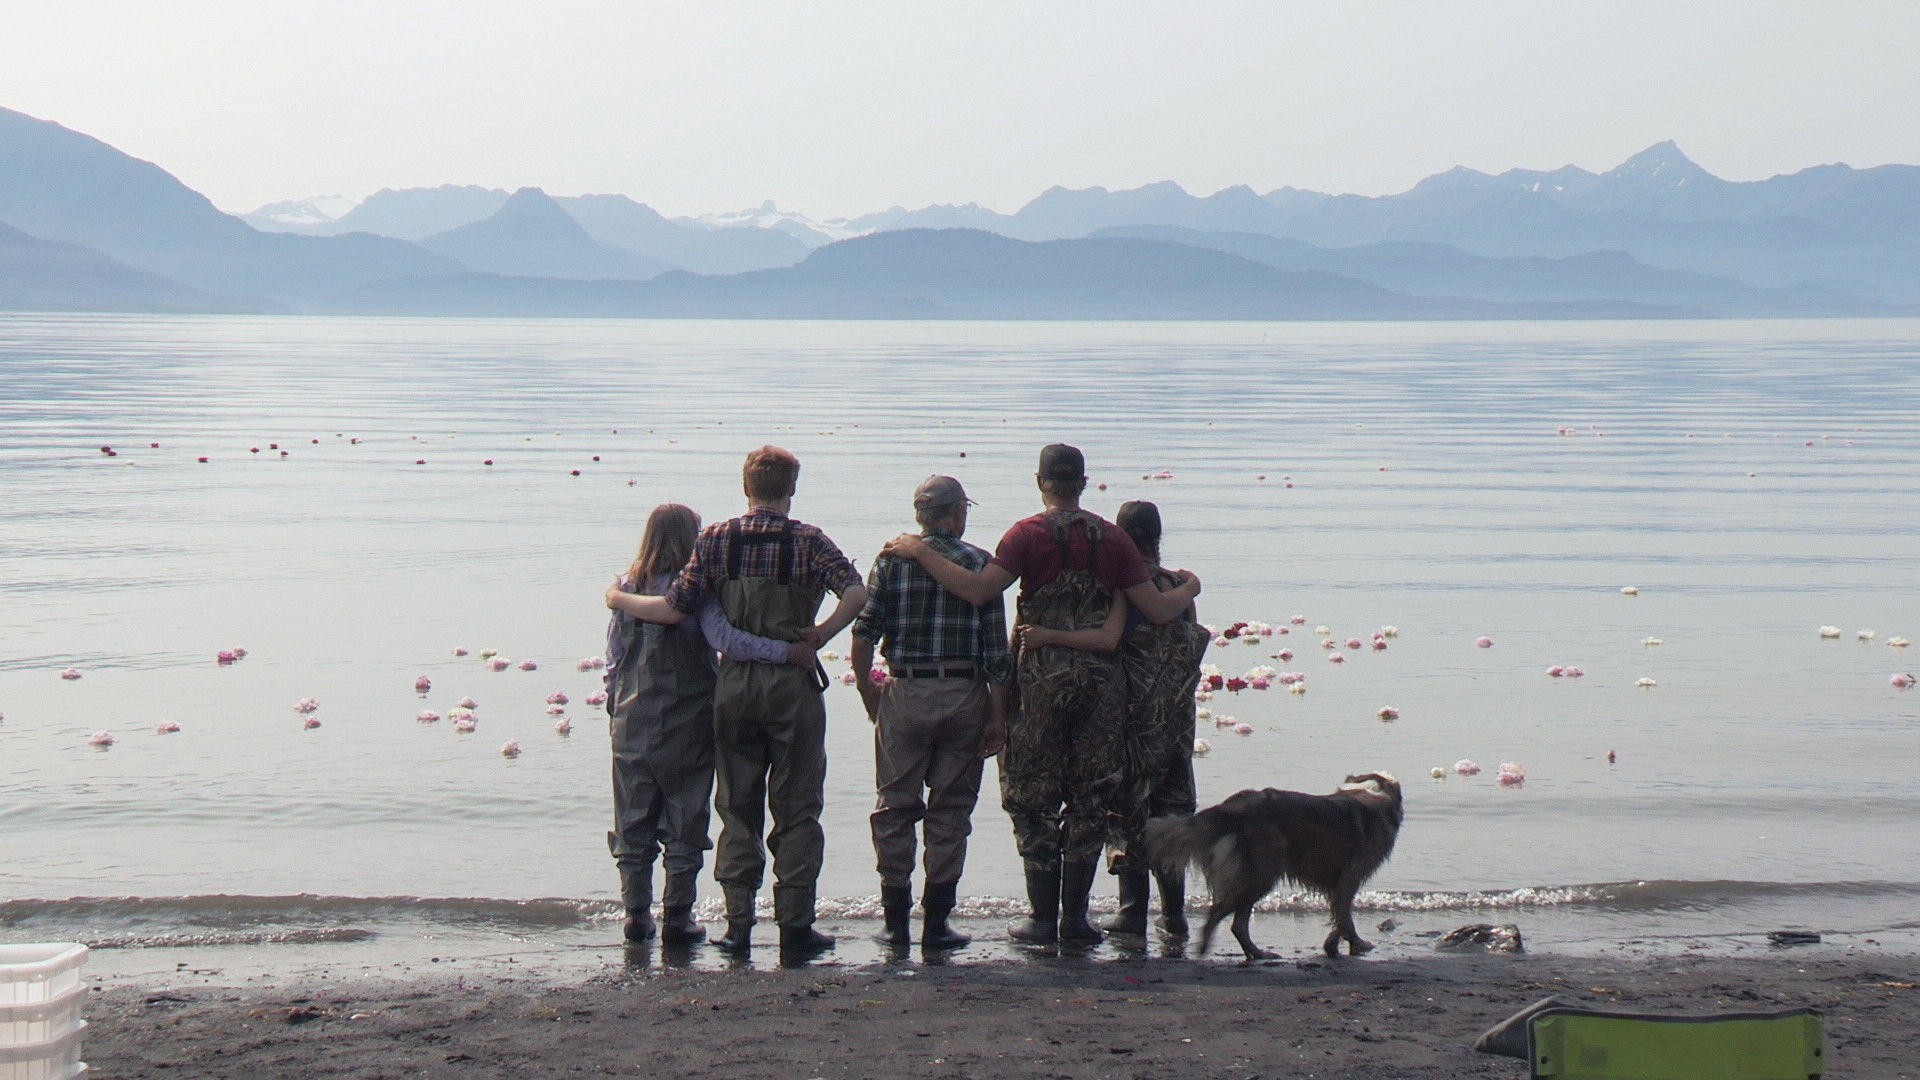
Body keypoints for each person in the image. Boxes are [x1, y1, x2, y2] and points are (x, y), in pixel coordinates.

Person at [883, 444, 1199, 946]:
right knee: (1090, 796)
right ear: (1084, 482)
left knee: (1032, 795)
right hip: (1100, 684)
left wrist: (920, 551)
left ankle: (1038, 919)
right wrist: (1191, 588)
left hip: (1039, 681)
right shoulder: (1112, 539)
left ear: (1040, 481)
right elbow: (1157, 611)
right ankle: (1075, 920)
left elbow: (979, 590)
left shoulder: (1025, 534)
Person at [607, 447, 866, 958]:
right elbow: (857, 592)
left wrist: (617, 597)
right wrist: (820, 634)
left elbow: (677, 608)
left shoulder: (717, 538)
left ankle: (738, 926)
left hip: (734, 689)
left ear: (745, 487)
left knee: (736, 806)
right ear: (791, 488)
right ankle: (794, 928)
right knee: (797, 807)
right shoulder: (810, 540)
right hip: (792, 684)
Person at [602, 503, 818, 946]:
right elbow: (727, 641)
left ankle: (635, 916)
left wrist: (614, 708)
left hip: (630, 720)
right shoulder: (698, 591)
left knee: (633, 821)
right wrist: (783, 653)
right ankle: (677, 918)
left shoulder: (626, 587)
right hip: (686, 718)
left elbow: (613, 661)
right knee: (684, 820)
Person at [1017, 500, 1209, 939]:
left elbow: (1111, 640)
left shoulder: (1125, 586)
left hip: (1132, 719)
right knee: (1173, 811)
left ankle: (1131, 911)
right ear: (1157, 538)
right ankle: (1174, 915)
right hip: (1176, 721)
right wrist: (1192, 587)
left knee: (1129, 811)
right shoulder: (1179, 588)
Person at [849, 475, 1013, 950]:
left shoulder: (891, 560)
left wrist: (867, 691)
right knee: (951, 811)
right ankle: (937, 924)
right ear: (957, 513)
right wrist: (997, 717)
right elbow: (995, 652)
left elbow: (864, 633)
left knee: (894, 807)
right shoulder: (979, 563)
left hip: (906, 690)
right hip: (964, 690)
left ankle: (894, 921)